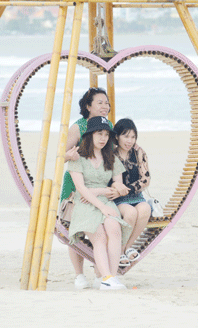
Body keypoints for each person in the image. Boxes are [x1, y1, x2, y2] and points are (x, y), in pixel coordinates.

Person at [67, 116, 132, 290]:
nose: (103, 138)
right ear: (90, 135)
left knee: (114, 229)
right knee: (100, 237)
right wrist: (102, 198)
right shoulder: (78, 158)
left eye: (106, 135)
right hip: (86, 203)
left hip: (106, 201)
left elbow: (118, 183)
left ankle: (111, 278)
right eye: (99, 134)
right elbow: (81, 189)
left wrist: (116, 188)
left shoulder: (111, 158)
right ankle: (107, 277)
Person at [61, 87, 114, 289]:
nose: (105, 106)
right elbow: (61, 154)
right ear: (88, 106)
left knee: (98, 227)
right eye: (100, 102)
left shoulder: (108, 125)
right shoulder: (79, 127)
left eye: (106, 103)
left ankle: (99, 271)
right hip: (76, 184)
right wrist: (70, 156)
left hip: (100, 184)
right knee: (76, 229)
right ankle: (79, 275)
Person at [112, 118, 152, 267]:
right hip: (117, 198)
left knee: (145, 209)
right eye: (125, 136)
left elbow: (146, 179)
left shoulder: (139, 152)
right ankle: (121, 250)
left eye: (133, 137)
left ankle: (126, 247)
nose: (129, 141)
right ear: (117, 136)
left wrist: (128, 189)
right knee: (130, 213)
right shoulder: (111, 154)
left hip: (136, 195)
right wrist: (119, 190)